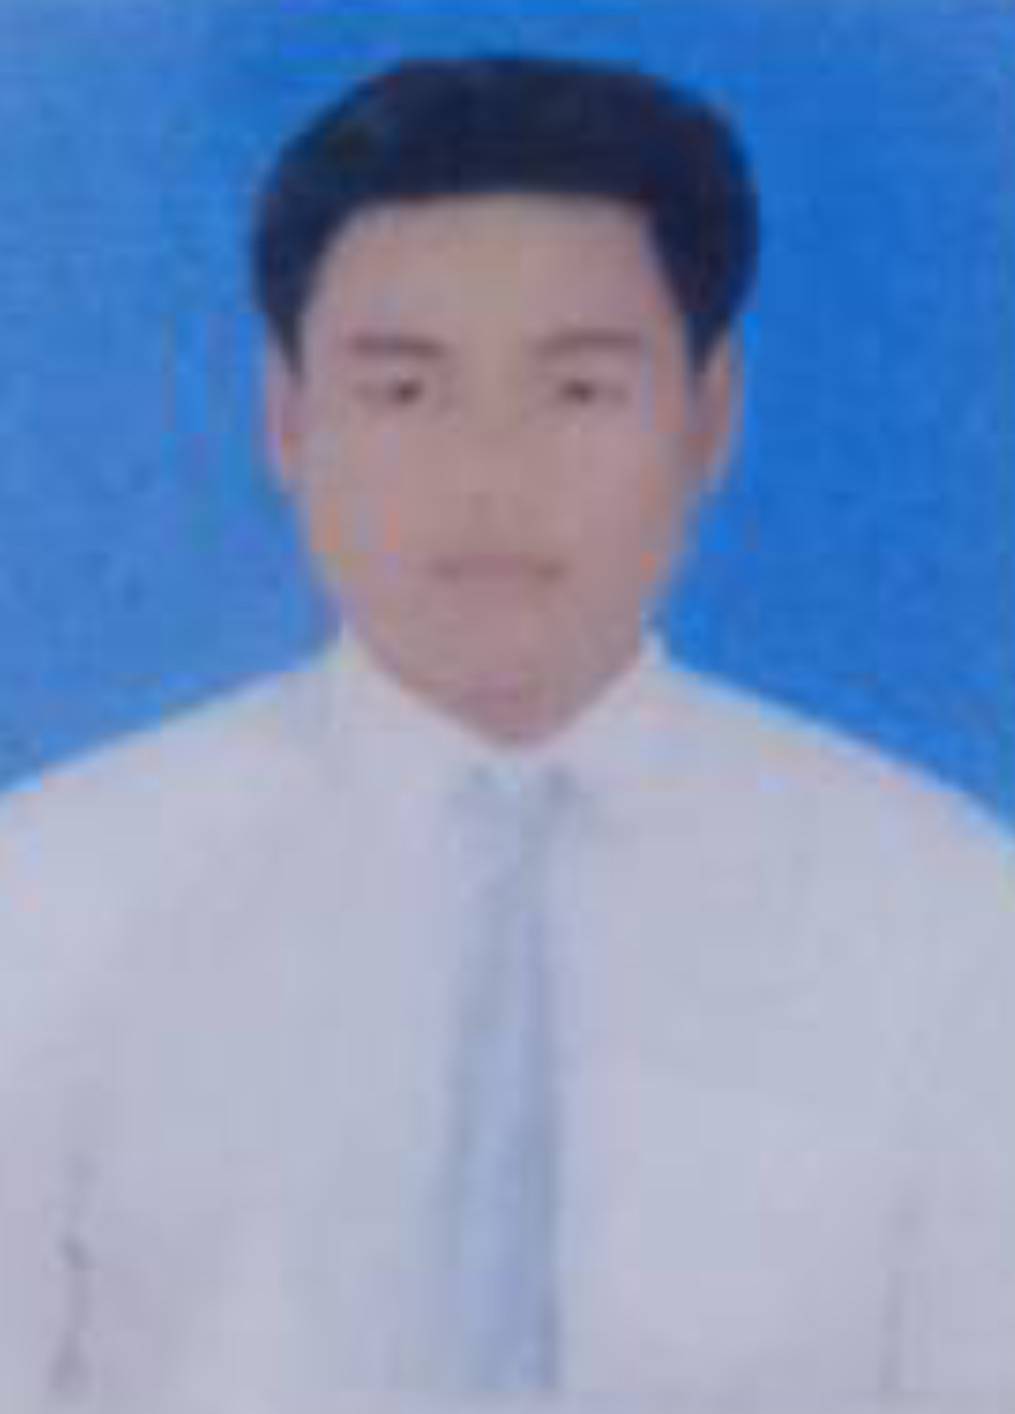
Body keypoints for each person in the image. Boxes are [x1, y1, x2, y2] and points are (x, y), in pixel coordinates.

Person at [0, 52, 1012, 1413]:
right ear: (287, 420)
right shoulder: (49, 894)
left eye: (578, 391)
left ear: (710, 418)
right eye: (404, 392)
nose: (489, 472)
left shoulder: (948, 916)